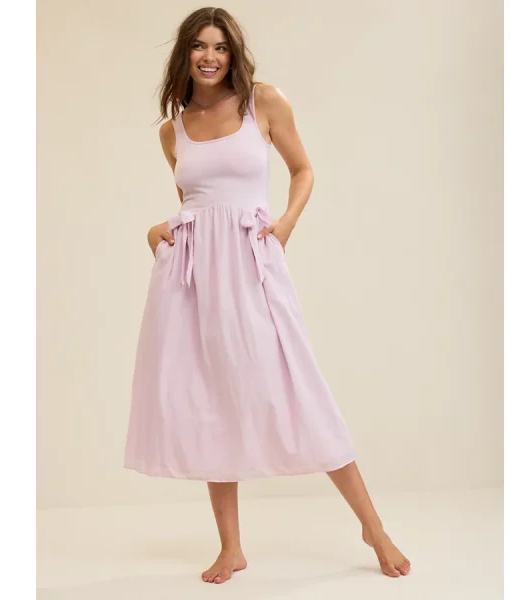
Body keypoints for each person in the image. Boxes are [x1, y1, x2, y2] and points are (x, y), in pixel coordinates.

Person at [124, 6, 411, 584]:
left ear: (233, 53)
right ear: (184, 54)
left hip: (253, 265)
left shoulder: (264, 102)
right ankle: (231, 547)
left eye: (220, 47)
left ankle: (373, 527)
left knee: (298, 387)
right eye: (199, 46)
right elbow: (195, 204)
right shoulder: (172, 130)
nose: (210, 57)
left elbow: (303, 170)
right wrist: (157, 234)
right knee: (211, 399)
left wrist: (284, 226)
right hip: (193, 279)